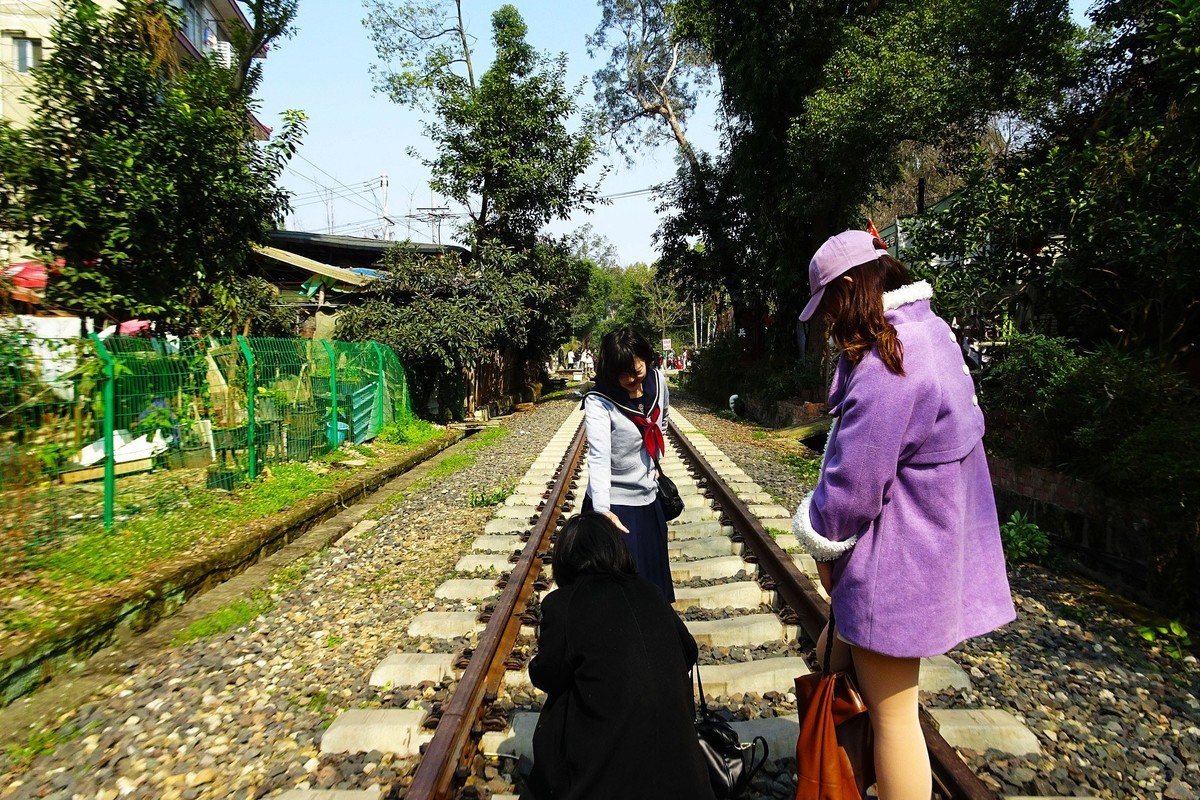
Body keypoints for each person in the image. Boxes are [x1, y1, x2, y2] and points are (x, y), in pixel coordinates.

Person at [791, 230, 1016, 800]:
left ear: (848, 289)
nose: (829, 323)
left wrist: (822, 547)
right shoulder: (932, 332)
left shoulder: (888, 362)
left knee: (896, 721)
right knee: (840, 662)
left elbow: (852, 488)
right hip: (930, 548)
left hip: (895, 567)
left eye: (830, 307)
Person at [525, 513, 715, 800]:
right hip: (687, 780)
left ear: (565, 560)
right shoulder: (650, 591)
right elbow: (688, 650)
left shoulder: (563, 604)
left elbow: (547, 675)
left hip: (605, 785)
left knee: (562, 698)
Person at [580, 328, 674, 601]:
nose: (631, 379)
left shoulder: (658, 382)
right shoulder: (600, 401)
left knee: (651, 590)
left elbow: (663, 420)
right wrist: (602, 511)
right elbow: (597, 456)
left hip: (648, 501)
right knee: (616, 593)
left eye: (637, 370)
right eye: (623, 374)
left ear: (646, 359)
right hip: (615, 506)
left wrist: (653, 461)